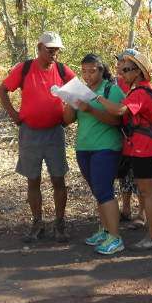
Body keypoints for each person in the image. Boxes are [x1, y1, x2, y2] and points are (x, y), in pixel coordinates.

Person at [0, 31, 76, 242]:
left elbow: (78, 89)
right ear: (39, 47)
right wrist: (14, 115)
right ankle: (37, 223)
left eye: (56, 51)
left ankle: (59, 224)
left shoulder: (61, 69)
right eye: (50, 50)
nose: (54, 55)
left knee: (58, 178)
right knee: (33, 179)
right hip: (29, 132)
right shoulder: (24, 68)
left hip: (54, 132)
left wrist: (69, 114)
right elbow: (3, 90)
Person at [97, 51, 152, 250]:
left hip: (142, 148)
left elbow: (120, 111)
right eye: (122, 70)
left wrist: (98, 99)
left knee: (147, 193)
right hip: (148, 146)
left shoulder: (139, 93)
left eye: (127, 70)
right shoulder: (147, 90)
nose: (123, 74)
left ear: (139, 72)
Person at [63, 54, 126, 255]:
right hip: (84, 147)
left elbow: (116, 120)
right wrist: (69, 101)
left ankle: (116, 238)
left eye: (92, 70)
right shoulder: (82, 91)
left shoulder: (111, 90)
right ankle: (106, 230)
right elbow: (67, 120)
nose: (88, 75)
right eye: (84, 71)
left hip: (106, 147)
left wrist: (89, 108)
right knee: (98, 191)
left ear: (101, 70)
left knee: (104, 190)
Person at [115, 49, 146, 229]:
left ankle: (142, 213)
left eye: (124, 63)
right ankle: (125, 209)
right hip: (122, 134)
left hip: (139, 137)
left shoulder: (140, 85)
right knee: (124, 172)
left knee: (139, 175)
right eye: (120, 62)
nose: (120, 65)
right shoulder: (115, 82)